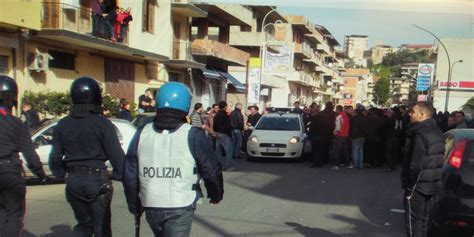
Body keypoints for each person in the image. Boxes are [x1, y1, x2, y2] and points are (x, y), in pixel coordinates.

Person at [122, 82, 223, 237]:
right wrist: (215, 193)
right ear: (186, 106)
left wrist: (133, 204)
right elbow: (210, 167)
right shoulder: (192, 134)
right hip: (181, 204)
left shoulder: (142, 132)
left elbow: (130, 173)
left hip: (151, 203)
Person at [49, 77, 125, 237]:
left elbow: (55, 157)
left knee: (84, 224)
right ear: (96, 97)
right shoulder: (102, 123)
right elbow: (117, 156)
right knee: (101, 227)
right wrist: (119, 173)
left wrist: (61, 173)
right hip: (97, 180)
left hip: (73, 181)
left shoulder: (62, 125)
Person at [0, 76, 48, 237]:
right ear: (13, 97)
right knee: (14, 215)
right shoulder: (16, 123)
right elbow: (29, 153)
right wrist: (41, 174)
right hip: (11, 172)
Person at [401, 101, 444, 237]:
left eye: (412, 112)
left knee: (414, 223)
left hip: (418, 186)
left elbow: (416, 165)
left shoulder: (420, 134)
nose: (409, 114)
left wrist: (409, 189)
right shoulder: (437, 131)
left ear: (422, 114)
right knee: (424, 221)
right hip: (432, 184)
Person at [309, 102, 336, 167]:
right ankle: (323, 161)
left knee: (316, 150)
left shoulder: (316, 117)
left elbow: (312, 127)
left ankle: (316, 163)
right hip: (326, 135)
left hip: (316, 136)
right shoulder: (331, 114)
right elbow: (330, 125)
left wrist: (310, 134)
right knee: (323, 149)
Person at [213, 101, 235, 171]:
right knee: (229, 150)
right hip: (224, 134)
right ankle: (229, 166)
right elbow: (228, 126)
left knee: (218, 151)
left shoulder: (216, 115)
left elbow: (214, 125)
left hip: (217, 133)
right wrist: (229, 133)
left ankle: (219, 165)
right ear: (225, 106)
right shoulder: (225, 116)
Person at [331, 105, 352, 169]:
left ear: (338, 110)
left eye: (336, 109)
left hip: (339, 135)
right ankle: (348, 164)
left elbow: (338, 127)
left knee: (337, 150)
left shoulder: (339, 116)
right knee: (345, 150)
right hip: (346, 135)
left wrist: (334, 132)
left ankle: (336, 165)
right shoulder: (346, 116)